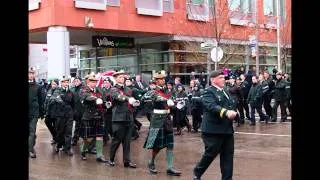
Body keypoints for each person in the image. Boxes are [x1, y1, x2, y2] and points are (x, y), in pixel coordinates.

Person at [193, 69, 238, 180]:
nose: (224, 79)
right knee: (210, 154)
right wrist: (226, 112)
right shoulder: (208, 91)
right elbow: (212, 106)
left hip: (227, 130)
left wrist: (235, 114)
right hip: (213, 130)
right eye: (221, 78)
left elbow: (231, 105)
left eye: (224, 77)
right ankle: (198, 171)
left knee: (228, 156)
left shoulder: (225, 91)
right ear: (213, 80)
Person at [141, 71, 181, 176]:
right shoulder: (153, 91)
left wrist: (176, 104)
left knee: (170, 144)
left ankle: (170, 167)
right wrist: (166, 100)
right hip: (157, 120)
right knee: (157, 146)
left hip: (167, 119)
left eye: (163, 79)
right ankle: (151, 162)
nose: (163, 80)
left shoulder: (168, 91)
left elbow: (172, 102)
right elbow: (156, 98)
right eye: (160, 79)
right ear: (156, 81)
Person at [106, 70, 140, 168]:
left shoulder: (128, 89)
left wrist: (135, 103)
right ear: (116, 78)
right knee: (117, 140)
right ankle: (111, 159)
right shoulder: (113, 89)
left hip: (128, 117)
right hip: (118, 118)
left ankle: (127, 161)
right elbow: (118, 97)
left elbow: (130, 102)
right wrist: (128, 99)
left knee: (127, 141)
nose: (122, 79)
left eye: (123, 77)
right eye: (120, 77)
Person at [28, 68, 45, 158]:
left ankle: (30, 150)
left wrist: (41, 113)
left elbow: (41, 100)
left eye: (32, 73)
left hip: (34, 112)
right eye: (29, 73)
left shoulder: (38, 86)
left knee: (32, 131)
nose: (31, 75)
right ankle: (31, 146)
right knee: (31, 133)